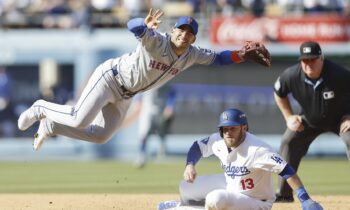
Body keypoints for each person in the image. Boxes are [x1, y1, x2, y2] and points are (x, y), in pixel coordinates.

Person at [17, 8, 270, 151]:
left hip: (126, 95)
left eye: (190, 33)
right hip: (110, 78)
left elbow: (220, 58)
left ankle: (50, 127)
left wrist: (241, 55)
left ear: (193, 39)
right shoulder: (156, 40)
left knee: (101, 135)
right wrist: (143, 25)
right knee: (79, 118)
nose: (184, 34)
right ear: (172, 31)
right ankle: (41, 107)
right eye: (181, 29)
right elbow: (132, 25)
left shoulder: (193, 55)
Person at [157, 108, 323, 210]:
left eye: (233, 128)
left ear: (244, 128)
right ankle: (184, 206)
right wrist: (190, 165)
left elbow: (287, 171)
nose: (228, 132)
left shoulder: (258, 149)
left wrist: (305, 199)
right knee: (186, 186)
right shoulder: (219, 140)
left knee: (216, 199)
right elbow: (197, 146)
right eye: (225, 129)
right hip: (232, 187)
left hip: (257, 201)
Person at [273, 40, 350, 202]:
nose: (308, 64)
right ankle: (284, 194)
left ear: (321, 58)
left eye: (312, 59)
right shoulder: (292, 75)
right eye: (304, 60)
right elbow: (278, 93)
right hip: (309, 119)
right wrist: (289, 117)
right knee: (288, 140)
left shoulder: (339, 74)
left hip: (340, 119)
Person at [135, 84, 177, 168]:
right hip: (146, 112)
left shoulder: (164, 81)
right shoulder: (145, 81)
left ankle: (162, 153)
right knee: (143, 134)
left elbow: (172, 93)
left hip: (160, 111)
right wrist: (138, 104)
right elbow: (138, 96)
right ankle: (142, 155)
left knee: (161, 133)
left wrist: (170, 106)